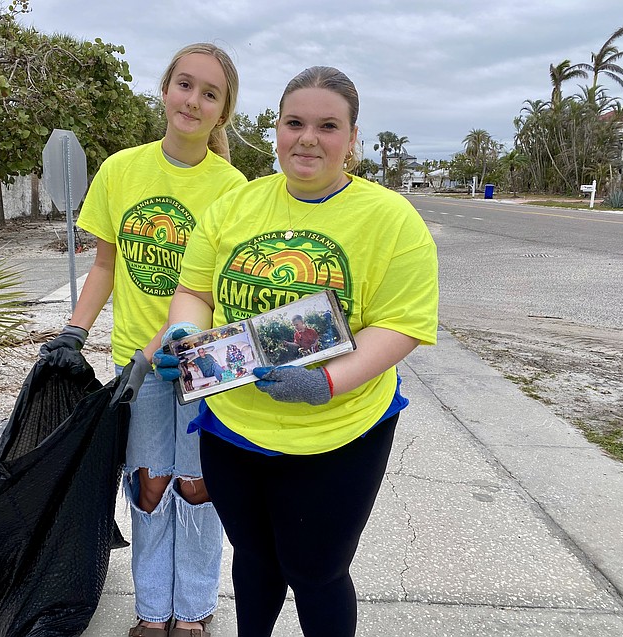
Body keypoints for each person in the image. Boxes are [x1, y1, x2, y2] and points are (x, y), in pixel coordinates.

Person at [154, 66, 438, 637]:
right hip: (234, 426)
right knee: (254, 560)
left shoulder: (392, 220)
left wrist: (328, 382)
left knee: (317, 572)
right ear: (276, 129)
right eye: (295, 123)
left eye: (328, 126)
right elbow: (195, 291)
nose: (308, 138)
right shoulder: (235, 206)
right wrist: (183, 338)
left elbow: (402, 325)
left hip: (340, 433)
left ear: (353, 139)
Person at [40, 43, 246, 637]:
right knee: (150, 487)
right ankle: (153, 614)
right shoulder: (121, 170)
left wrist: (172, 342)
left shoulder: (234, 188)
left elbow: (218, 290)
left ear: (222, 112)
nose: (194, 100)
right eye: (185, 85)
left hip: (206, 368)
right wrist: (74, 331)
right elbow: (103, 267)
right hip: (140, 368)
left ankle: (194, 614)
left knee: (199, 488)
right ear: (165, 90)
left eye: (210, 93)